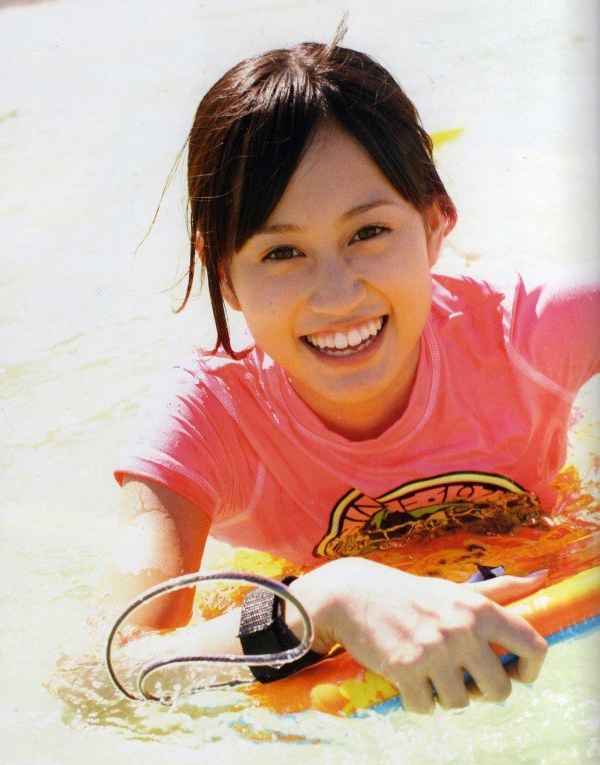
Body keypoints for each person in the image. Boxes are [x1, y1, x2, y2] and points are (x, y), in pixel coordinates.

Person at [105, 39, 598, 714]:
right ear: (224, 273)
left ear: (435, 222)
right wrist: (322, 602)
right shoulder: (207, 419)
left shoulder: (524, 334)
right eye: (282, 252)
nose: (336, 296)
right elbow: (101, 678)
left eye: (368, 233)